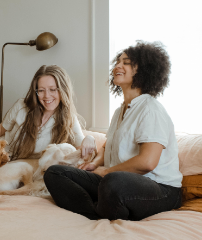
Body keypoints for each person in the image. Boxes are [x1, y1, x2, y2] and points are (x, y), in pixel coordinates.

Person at [44, 41, 183, 221]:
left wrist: (106, 172)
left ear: (143, 70)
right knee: (55, 173)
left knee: (113, 182)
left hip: (161, 190)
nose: (117, 65)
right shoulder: (120, 111)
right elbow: (108, 145)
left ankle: (104, 206)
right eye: (118, 61)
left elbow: (147, 162)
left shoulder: (151, 109)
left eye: (126, 62)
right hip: (116, 181)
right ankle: (96, 213)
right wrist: (94, 164)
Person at [0, 65, 96, 160]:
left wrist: (89, 138)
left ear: (62, 90)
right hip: (2, 159)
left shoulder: (69, 118)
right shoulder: (21, 106)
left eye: (52, 89)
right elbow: (0, 130)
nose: (46, 96)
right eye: (41, 90)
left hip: (29, 169)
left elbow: (81, 148)